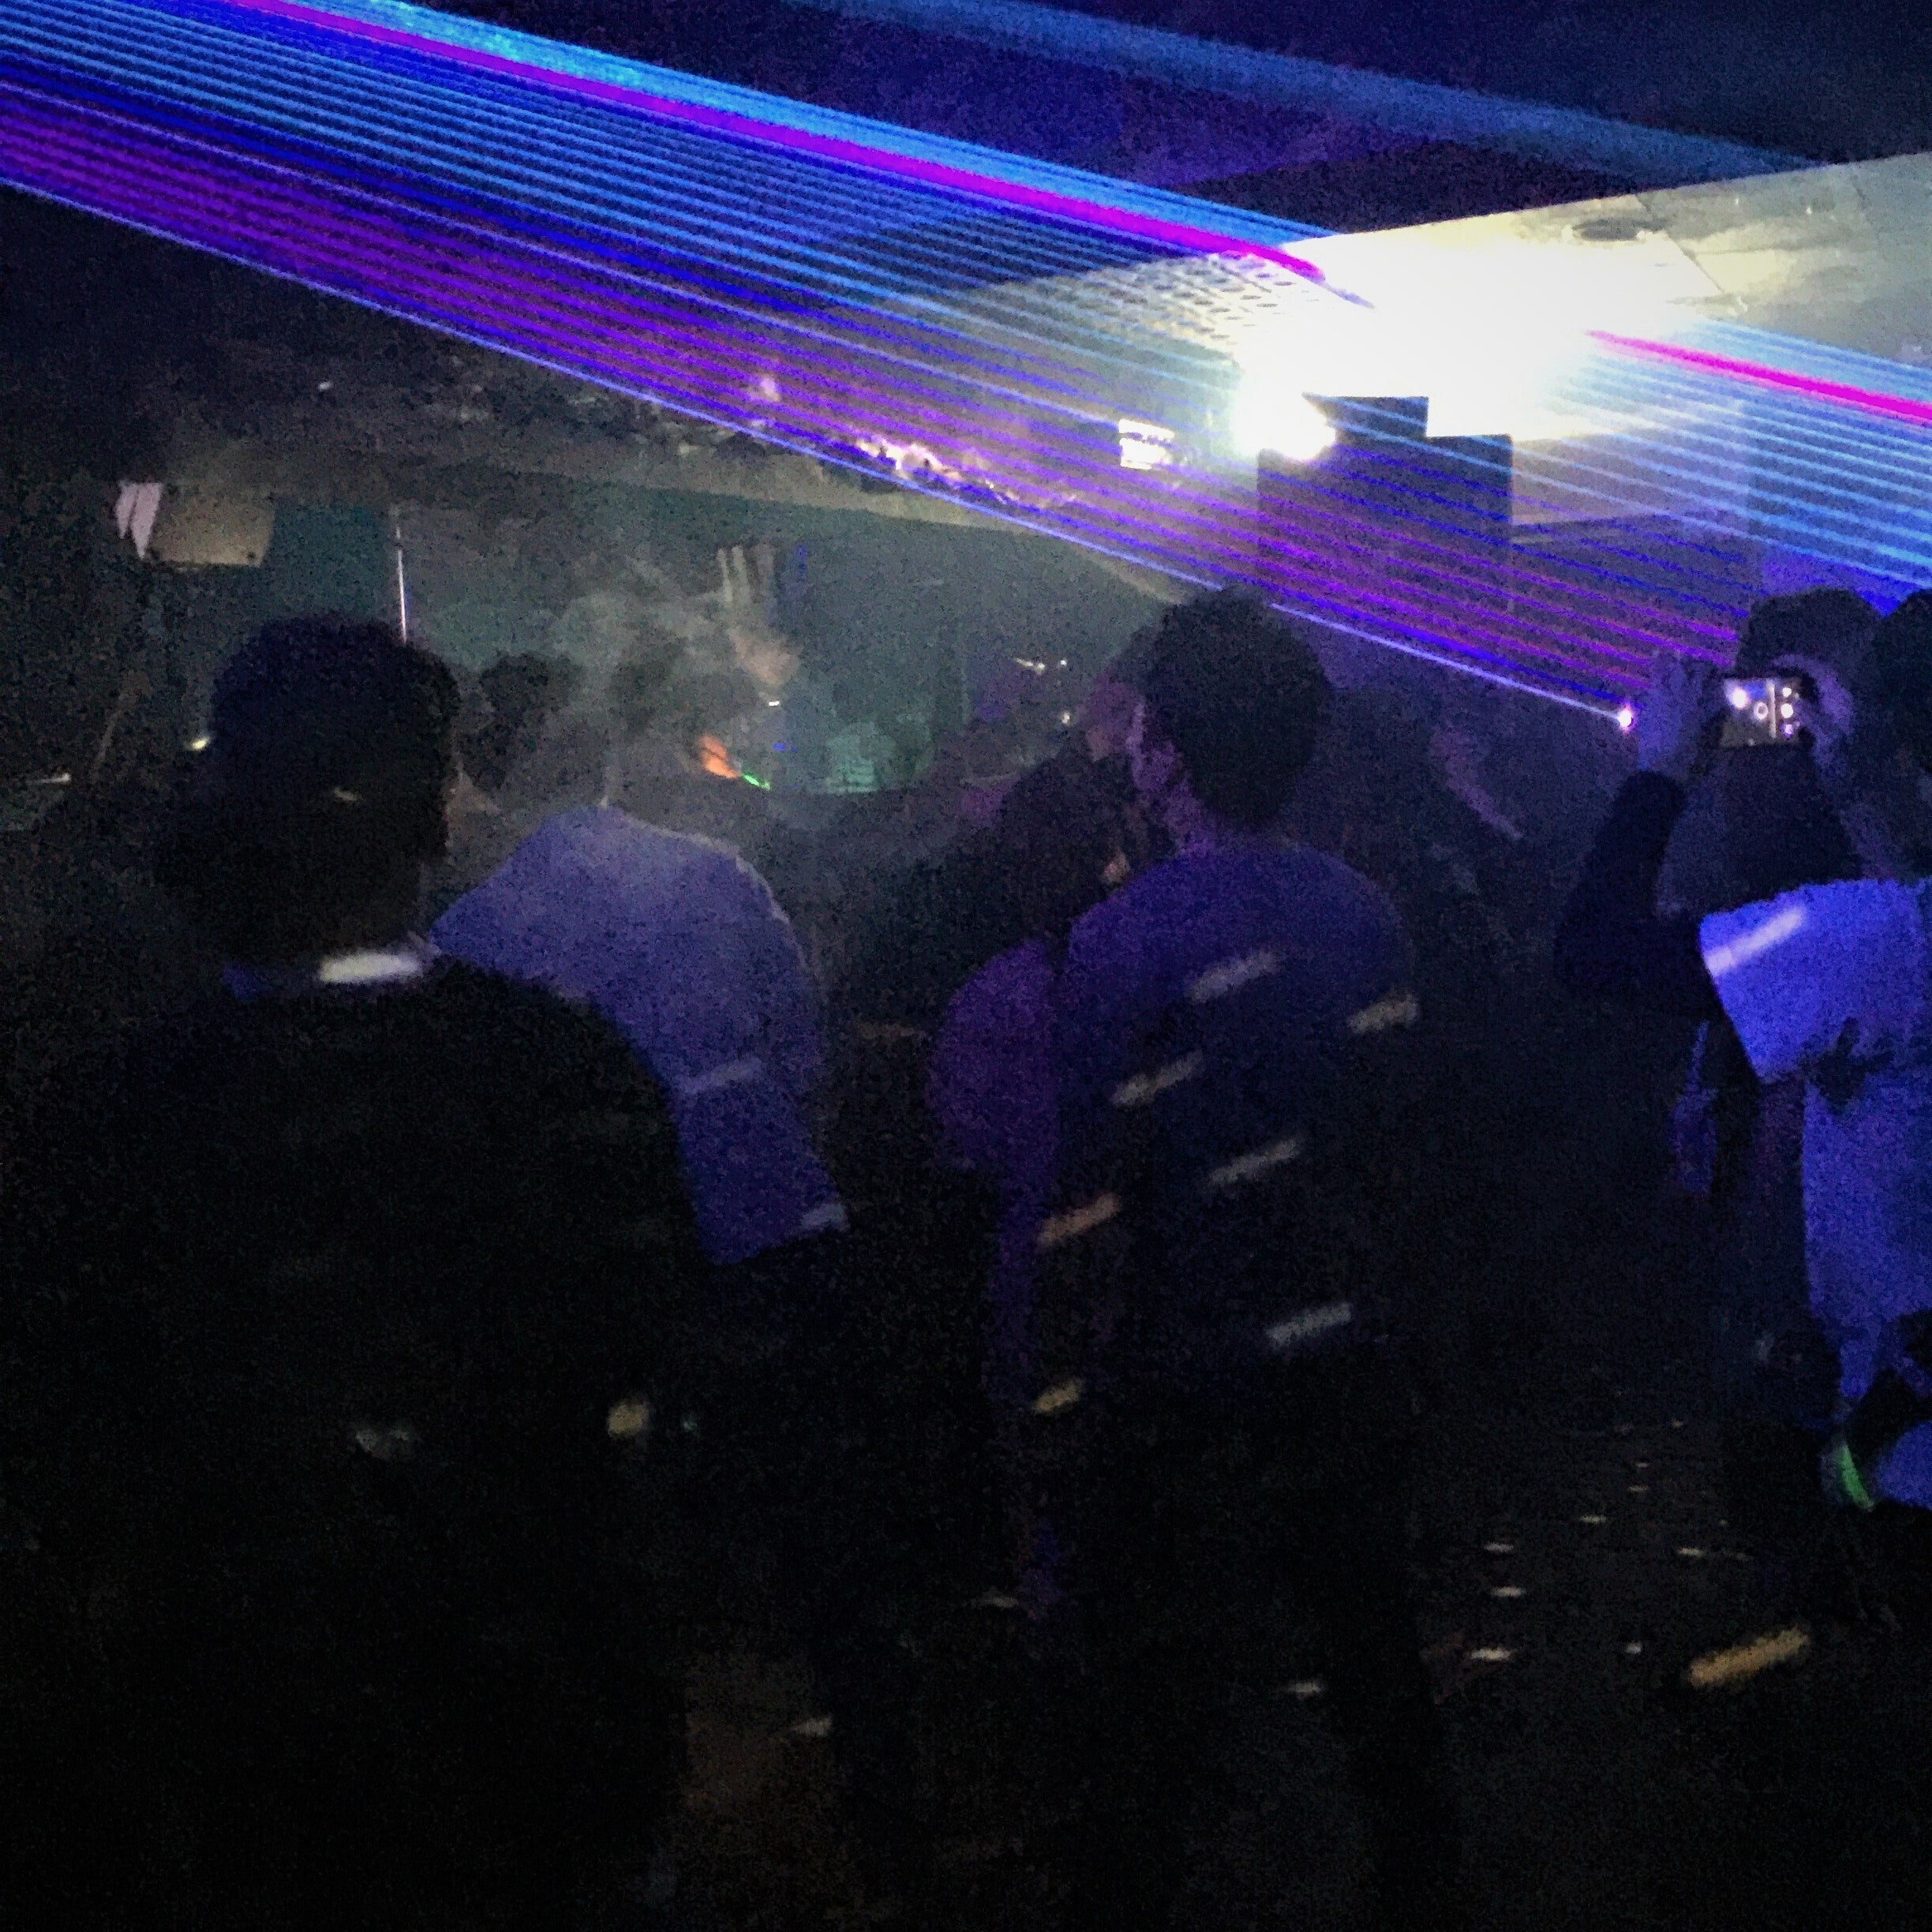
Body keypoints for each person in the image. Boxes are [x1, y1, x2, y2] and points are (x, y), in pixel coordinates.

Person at [0, 616, 706, 1927]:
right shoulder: (560, 1077)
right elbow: (652, 1396)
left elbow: (64, 1458)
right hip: (527, 1757)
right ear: (433, 819)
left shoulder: (113, 1119)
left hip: (229, 1776)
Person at [1032, 589, 1462, 1930]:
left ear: (1163, 750)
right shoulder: (1364, 913)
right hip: (1337, 1346)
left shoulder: (1122, 935)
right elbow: (1395, 1141)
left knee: (1151, 1698)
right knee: (1371, 1661)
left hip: (1181, 1363)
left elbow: (1091, 1183)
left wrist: (1055, 1377)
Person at [1554, 596, 1899, 1612]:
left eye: (1799, 706)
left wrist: (1659, 775)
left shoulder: (1858, 939)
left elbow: (1592, 949)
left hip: (1871, 1416)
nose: (1772, 733)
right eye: (1763, 706)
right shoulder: (1855, 919)